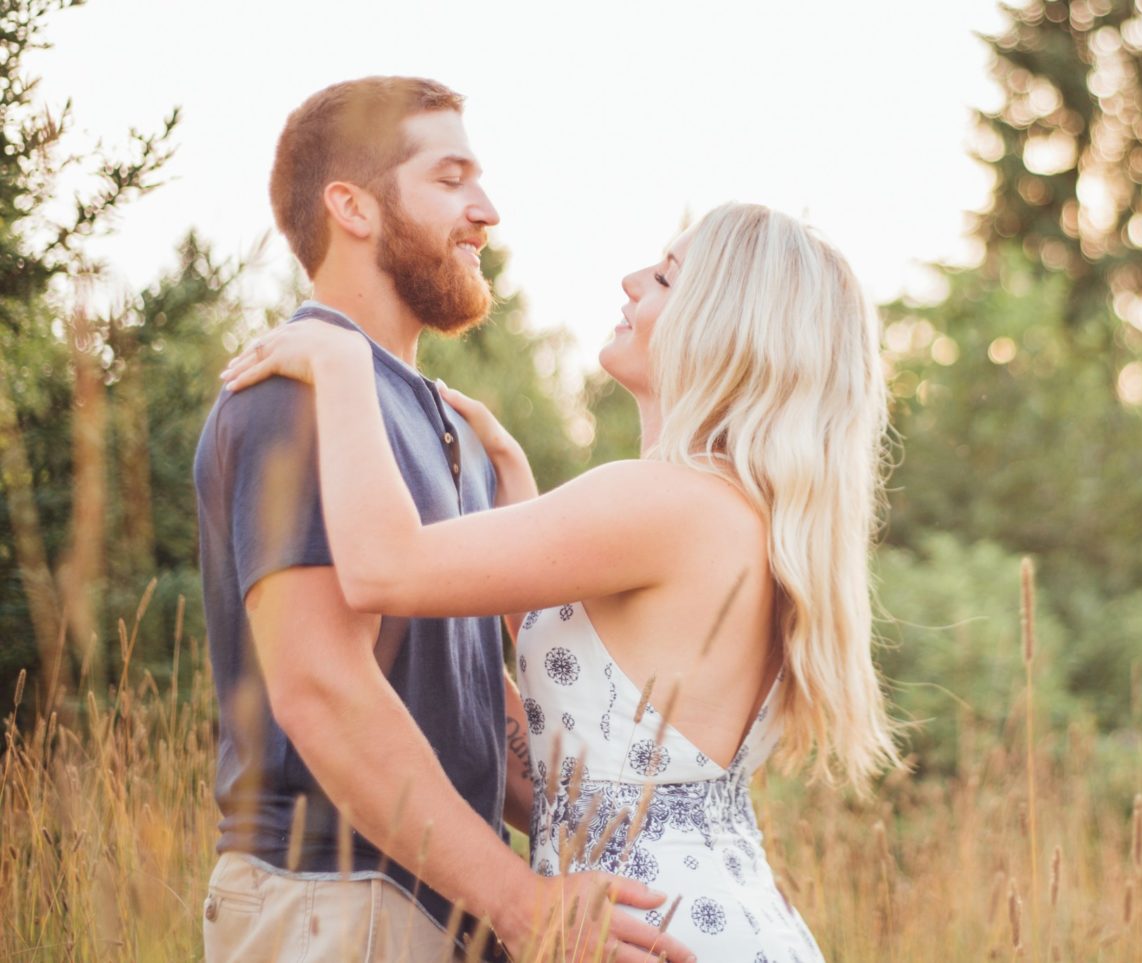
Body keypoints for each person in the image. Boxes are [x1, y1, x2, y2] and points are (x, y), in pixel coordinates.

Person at [220, 201, 900, 960]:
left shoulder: (659, 500)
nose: (632, 280)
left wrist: (343, 363)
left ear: (726, 326)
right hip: (718, 923)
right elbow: (596, 694)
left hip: (645, 932)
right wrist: (513, 477)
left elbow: (383, 568)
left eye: (666, 277)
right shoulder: (744, 514)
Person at [194, 75, 692, 963]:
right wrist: (518, 899)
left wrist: (660, 849)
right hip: (338, 903)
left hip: (449, 907)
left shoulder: (440, 419)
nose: (487, 211)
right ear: (352, 206)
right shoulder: (296, 389)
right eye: (451, 179)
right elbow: (323, 688)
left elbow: (460, 698)